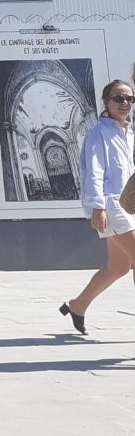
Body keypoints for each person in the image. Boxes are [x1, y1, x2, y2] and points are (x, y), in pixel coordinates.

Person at [60, 79, 135, 334]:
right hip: (111, 205)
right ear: (106, 101)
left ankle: (77, 306)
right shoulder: (98, 132)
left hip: (129, 205)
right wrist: (97, 207)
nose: (125, 103)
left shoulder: (129, 132)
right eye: (118, 98)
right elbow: (93, 171)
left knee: (119, 267)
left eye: (129, 99)